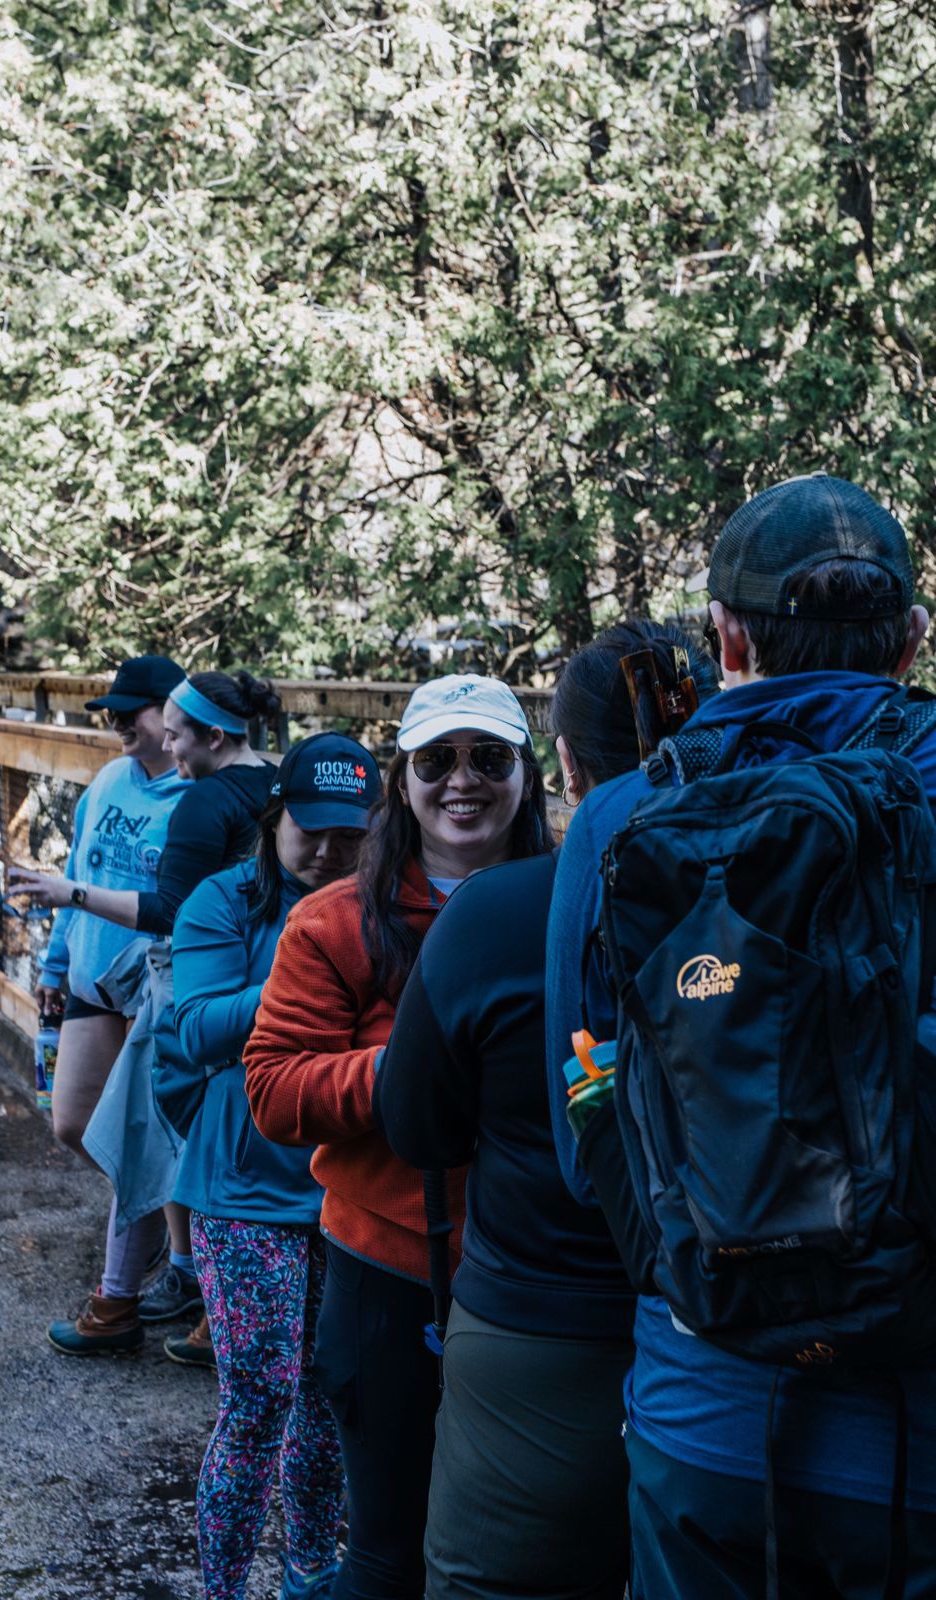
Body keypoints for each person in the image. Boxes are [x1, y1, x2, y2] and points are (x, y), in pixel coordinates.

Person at [546, 474, 936, 1598]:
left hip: (702, 1409)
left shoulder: (625, 817)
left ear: (723, 634)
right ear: (909, 640)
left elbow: (590, 1152)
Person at [374, 621, 718, 1600]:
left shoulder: (492, 912)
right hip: (740, 1327)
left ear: (558, 765)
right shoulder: (783, 886)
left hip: (538, 1331)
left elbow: (418, 1129)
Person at [244, 674, 551, 1600]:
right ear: (402, 780)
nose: (464, 782)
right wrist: (406, 1069)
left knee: (526, 1539)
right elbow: (275, 1089)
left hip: (542, 1270)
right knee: (387, 1543)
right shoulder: (334, 920)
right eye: (438, 761)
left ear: (527, 776)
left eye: (490, 758)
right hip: (388, 1269)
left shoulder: (577, 898)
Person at [156, 733, 383, 1600]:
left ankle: (309, 1572)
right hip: (244, 1181)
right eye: (309, 829)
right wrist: (311, 967)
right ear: (274, 816)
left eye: (348, 832)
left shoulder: (388, 903)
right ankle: (222, 1587)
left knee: (329, 1394)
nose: (327, 849)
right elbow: (198, 1029)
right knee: (258, 1398)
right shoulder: (222, 902)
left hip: (347, 1179)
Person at [12, 666, 279, 1350]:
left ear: (196, 731)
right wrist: (58, 960)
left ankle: (142, 1290)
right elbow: (88, 860)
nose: (123, 725)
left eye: (146, 716)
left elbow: (170, 909)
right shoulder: (114, 781)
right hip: (108, 977)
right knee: (77, 1125)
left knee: (145, 1135)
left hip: (174, 987)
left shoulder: (204, 797)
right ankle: (175, 1252)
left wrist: (67, 895)